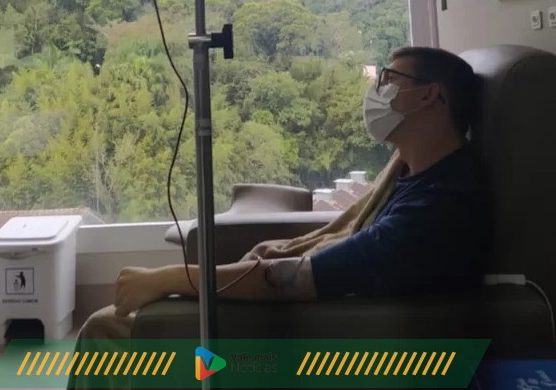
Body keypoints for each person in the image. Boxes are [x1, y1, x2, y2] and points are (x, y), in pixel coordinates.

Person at [67, 46, 491, 387]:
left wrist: (169, 279)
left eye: (389, 79)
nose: (376, 91)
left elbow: (297, 278)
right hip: (316, 320)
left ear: (429, 95)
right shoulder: (413, 173)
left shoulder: (437, 210)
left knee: (106, 330)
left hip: (315, 344)